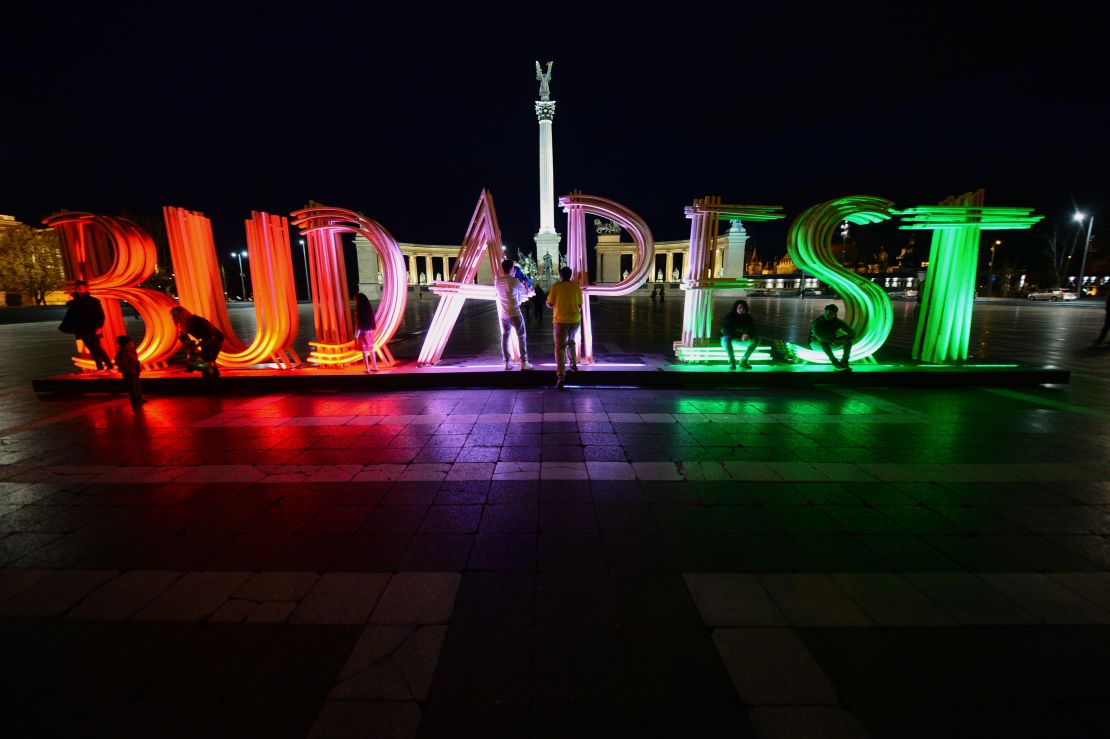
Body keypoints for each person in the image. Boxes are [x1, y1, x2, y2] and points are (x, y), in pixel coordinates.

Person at [59, 280, 113, 372]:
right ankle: (100, 366)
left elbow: (100, 315)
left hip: (93, 327)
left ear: (86, 289)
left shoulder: (93, 301)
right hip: (82, 328)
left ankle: (108, 365)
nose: (80, 290)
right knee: (91, 348)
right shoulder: (74, 303)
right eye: (78, 288)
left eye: (82, 288)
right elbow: (72, 315)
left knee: (96, 347)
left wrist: (99, 327)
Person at [546, 266, 583, 390]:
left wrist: (548, 303)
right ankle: (573, 365)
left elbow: (550, 303)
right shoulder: (576, 287)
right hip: (575, 320)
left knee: (560, 348)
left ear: (561, 275)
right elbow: (580, 305)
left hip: (560, 321)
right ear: (570, 275)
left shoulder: (556, 286)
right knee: (571, 343)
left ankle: (561, 376)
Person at [494, 258, 533, 370]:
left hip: (503, 314)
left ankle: (507, 362)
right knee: (522, 336)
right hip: (515, 313)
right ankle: (524, 362)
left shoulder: (498, 280)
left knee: (505, 337)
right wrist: (527, 286)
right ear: (512, 268)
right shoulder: (514, 281)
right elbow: (526, 292)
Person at [171, 306, 224, 378]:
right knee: (207, 360)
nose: (174, 318)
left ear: (179, 315)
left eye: (174, 316)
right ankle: (212, 378)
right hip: (208, 340)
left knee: (207, 360)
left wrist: (199, 345)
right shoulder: (187, 323)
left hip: (214, 340)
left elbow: (210, 334)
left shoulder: (195, 320)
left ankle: (211, 378)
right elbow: (185, 338)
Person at [811, 303, 855, 371]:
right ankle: (834, 361)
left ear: (835, 315)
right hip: (816, 343)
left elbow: (852, 332)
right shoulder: (817, 322)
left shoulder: (837, 322)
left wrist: (845, 339)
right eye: (826, 313)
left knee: (849, 341)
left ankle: (844, 361)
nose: (827, 315)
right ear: (824, 312)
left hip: (831, 341)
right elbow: (819, 336)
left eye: (830, 314)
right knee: (823, 342)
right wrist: (833, 340)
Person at [720, 299, 759, 370]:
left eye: (743, 308)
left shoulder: (748, 317)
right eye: (740, 308)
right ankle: (732, 362)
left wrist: (748, 334)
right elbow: (725, 330)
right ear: (736, 308)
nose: (741, 309)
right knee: (726, 338)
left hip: (743, 340)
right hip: (731, 340)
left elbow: (753, 329)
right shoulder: (729, 316)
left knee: (757, 339)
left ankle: (743, 361)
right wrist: (741, 335)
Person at [115, 335, 146, 408]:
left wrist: (137, 367)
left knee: (137, 386)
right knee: (132, 388)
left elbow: (135, 361)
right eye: (129, 344)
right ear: (123, 345)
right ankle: (135, 401)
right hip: (129, 373)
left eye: (132, 344)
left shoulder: (131, 352)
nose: (131, 345)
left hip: (135, 372)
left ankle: (139, 398)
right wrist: (129, 369)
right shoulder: (122, 354)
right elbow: (121, 363)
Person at [354, 292, 378, 373]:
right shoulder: (369, 309)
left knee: (364, 351)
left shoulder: (359, 311)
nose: (355, 302)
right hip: (370, 332)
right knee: (371, 349)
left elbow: (359, 325)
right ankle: (375, 366)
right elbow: (373, 321)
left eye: (355, 300)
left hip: (363, 333)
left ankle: (367, 368)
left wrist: (356, 336)